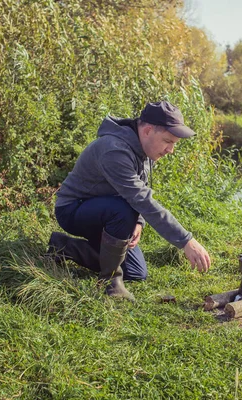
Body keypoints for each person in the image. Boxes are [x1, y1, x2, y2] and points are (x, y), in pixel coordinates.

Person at [47, 101, 211, 301]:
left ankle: (63, 247)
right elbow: (141, 199)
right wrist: (186, 241)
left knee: (136, 272)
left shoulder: (146, 149)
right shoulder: (114, 150)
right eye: (168, 141)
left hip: (107, 211)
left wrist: (139, 221)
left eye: (174, 144)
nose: (171, 150)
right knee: (122, 210)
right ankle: (110, 284)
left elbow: (140, 188)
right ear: (148, 130)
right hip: (74, 210)